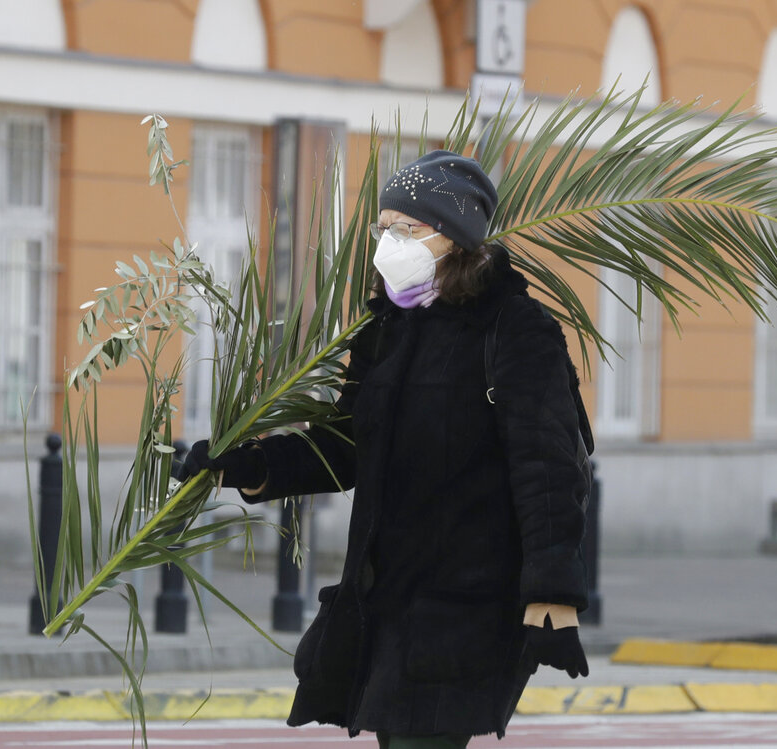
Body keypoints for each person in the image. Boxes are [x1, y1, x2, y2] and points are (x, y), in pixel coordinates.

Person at [180, 150, 591, 748]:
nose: (386, 243)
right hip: (386, 598)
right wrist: (248, 466)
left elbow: (548, 468)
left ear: (453, 237)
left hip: (465, 606)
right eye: (382, 229)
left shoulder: (515, 328)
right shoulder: (386, 329)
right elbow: (343, 447)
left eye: (405, 229)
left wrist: (553, 593)